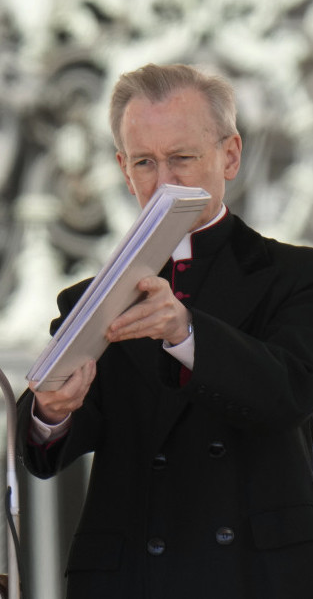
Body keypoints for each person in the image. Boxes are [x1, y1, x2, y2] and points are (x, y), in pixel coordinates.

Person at [18, 63, 313, 598]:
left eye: (182, 158)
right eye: (144, 162)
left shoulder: (297, 275)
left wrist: (187, 335)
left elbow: (290, 394)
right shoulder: (87, 298)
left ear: (230, 154)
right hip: (135, 576)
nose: (164, 181)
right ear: (123, 170)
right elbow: (46, 453)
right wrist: (52, 414)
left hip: (257, 573)